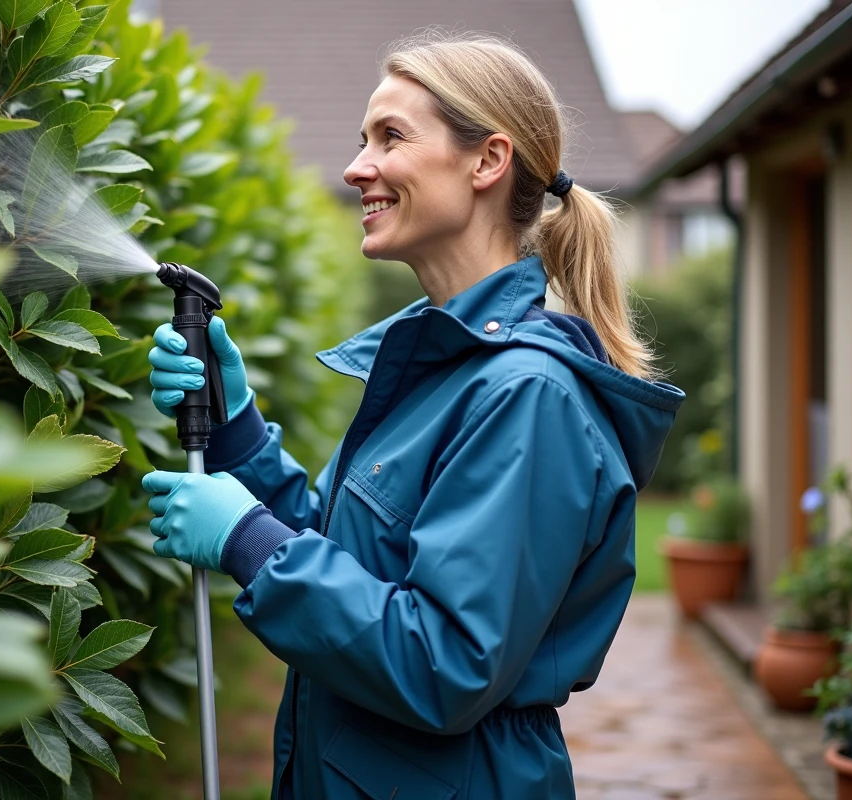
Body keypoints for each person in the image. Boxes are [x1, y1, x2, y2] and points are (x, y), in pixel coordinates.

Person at [142, 32, 684, 800]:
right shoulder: (441, 366)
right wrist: (238, 432)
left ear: (487, 162)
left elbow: (447, 663)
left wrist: (245, 540)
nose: (355, 167)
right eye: (361, 139)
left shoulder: (527, 398)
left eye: (390, 137)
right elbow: (348, 555)